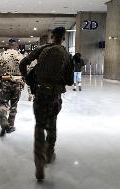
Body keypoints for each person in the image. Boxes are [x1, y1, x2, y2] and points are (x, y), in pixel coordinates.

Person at [20, 27, 73, 181]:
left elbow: (23, 63)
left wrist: (29, 81)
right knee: (52, 124)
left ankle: (39, 164)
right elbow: (69, 82)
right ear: (63, 38)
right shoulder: (66, 54)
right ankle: (49, 154)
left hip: (40, 93)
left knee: (39, 126)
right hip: (55, 96)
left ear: (51, 37)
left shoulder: (41, 49)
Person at [0, 38, 25, 137]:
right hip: (17, 84)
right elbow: (26, 71)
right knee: (14, 105)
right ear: (17, 45)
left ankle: (4, 123)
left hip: (4, 82)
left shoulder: (1, 55)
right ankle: (10, 125)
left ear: (9, 45)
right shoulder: (21, 56)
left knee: (3, 103)